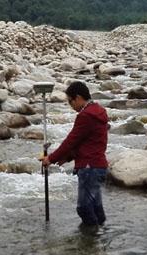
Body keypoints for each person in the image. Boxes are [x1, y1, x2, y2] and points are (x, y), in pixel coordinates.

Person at [39, 81, 109, 227]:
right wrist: (68, 157)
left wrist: (51, 159)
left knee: (83, 208)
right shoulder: (99, 111)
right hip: (99, 165)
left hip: (89, 167)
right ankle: (101, 239)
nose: (71, 106)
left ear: (78, 97)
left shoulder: (86, 116)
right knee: (95, 207)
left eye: (70, 101)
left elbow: (71, 141)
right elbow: (87, 142)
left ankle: (89, 242)